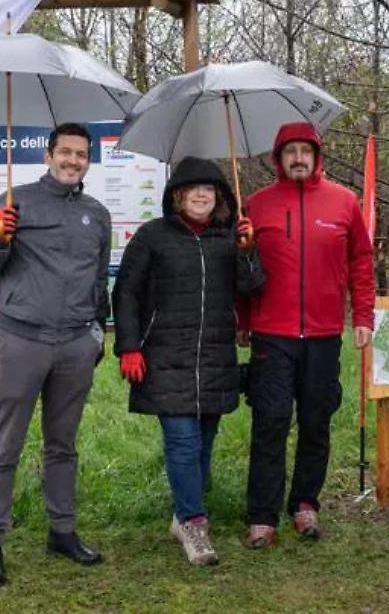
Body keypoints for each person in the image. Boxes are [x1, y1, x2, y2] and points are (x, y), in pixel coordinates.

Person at [0, 123, 111, 590]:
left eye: (81, 154)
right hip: (21, 339)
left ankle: (62, 532)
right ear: (49, 155)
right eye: (65, 152)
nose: (73, 160)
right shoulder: (16, 203)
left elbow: (99, 281)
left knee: (62, 445)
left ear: (88, 161)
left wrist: (97, 335)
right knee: (4, 447)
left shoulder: (97, 214)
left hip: (75, 344)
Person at [112, 157, 264, 566]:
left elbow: (251, 288)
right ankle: (194, 523)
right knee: (182, 441)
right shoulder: (152, 237)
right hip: (165, 358)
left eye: (209, 189)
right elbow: (126, 293)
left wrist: (248, 252)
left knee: (203, 444)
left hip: (215, 358)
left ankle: (183, 514)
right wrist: (128, 346)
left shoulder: (230, 238)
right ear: (177, 195)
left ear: (220, 196)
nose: (201, 195)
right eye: (193, 188)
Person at [237, 121, 375, 548]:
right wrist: (242, 320)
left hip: (324, 333)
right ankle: (262, 515)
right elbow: (242, 271)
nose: (298, 158)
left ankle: (304, 503)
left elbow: (361, 261)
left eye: (305, 151)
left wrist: (363, 316)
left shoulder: (344, 202)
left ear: (317, 157)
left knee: (316, 421)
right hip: (271, 334)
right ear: (278, 159)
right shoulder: (256, 205)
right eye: (290, 151)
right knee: (271, 420)